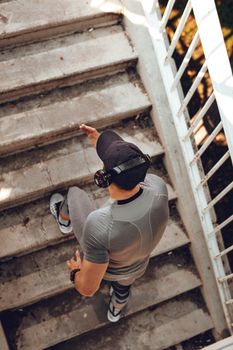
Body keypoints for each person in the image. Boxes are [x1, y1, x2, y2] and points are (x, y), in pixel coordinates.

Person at [50, 124, 169, 322]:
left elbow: (88, 289)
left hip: (109, 269)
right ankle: (117, 306)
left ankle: (64, 219)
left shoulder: (99, 223)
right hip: (138, 265)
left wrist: (75, 272)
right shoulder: (158, 186)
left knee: (74, 193)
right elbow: (128, 166)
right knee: (124, 283)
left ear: (103, 178)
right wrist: (100, 140)